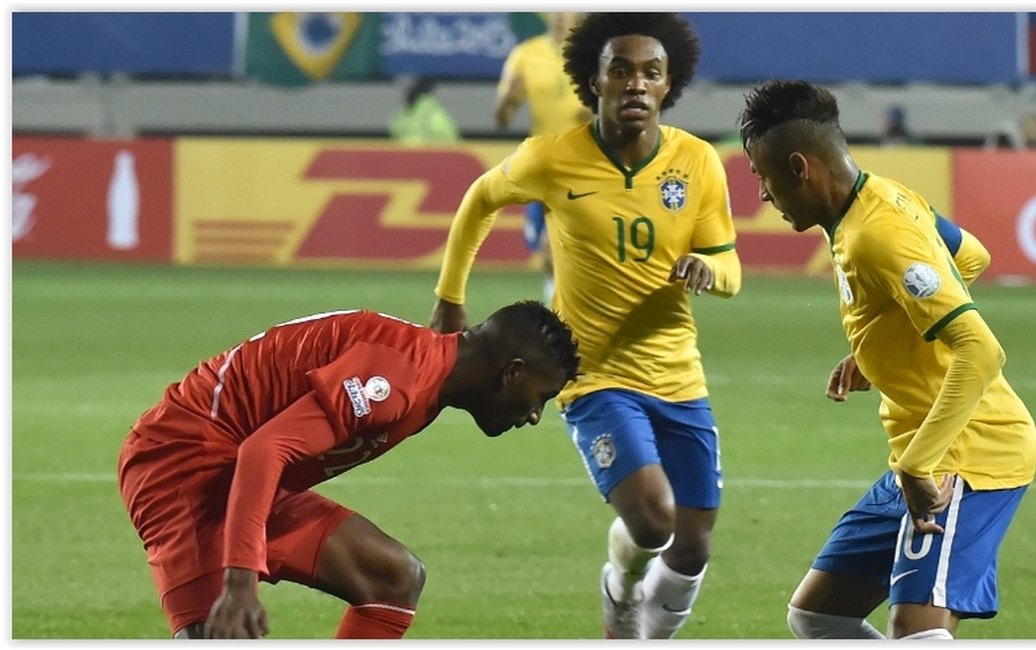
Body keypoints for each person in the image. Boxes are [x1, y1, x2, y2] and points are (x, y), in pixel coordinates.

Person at [431, 13, 741, 640]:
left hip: (679, 375)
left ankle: (646, 634)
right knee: (655, 522)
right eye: (619, 70)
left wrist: (711, 271)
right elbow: (480, 199)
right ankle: (620, 594)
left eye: (650, 73)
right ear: (592, 82)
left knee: (692, 548)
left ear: (668, 85)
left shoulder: (698, 162)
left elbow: (730, 261)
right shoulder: (552, 158)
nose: (635, 84)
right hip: (595, 377)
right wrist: (450, 299)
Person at [739, 79, 1036, 640]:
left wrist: (916, 466)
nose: (761, 193)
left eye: (762, 175)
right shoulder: (882, 197)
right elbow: (971, 254)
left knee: (916, 633)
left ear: (799, 167)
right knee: (817, 615)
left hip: (967, 455)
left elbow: (980, 351)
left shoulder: (878, 233)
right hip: (923, 451)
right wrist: (879, 341)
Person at [117, 301, 579, 639]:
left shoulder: (426, 371)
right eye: (540, 398)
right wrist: (240, 581)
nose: (535, 415)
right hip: (181, 464)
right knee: (222, 632)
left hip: (239, 469)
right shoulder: (399, 382)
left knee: (393, 577)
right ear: (511, 373)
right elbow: (264, 450)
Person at [495, 12, 593, 305]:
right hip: (544, 168)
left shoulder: (597, 54)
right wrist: (509, 99)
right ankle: (564, 316)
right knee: (548, 255)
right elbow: (502, 118)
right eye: (555, 10)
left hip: (588, 167)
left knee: (561, 249)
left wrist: (599, 117)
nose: (561, 17)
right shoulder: (526, 55)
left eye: (568, 10)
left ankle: (567, 319)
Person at [389, 76, 460, 146]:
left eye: (408, 86)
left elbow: (449, 146)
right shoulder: (402, 113)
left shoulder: (435, 114)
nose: (403, 90)